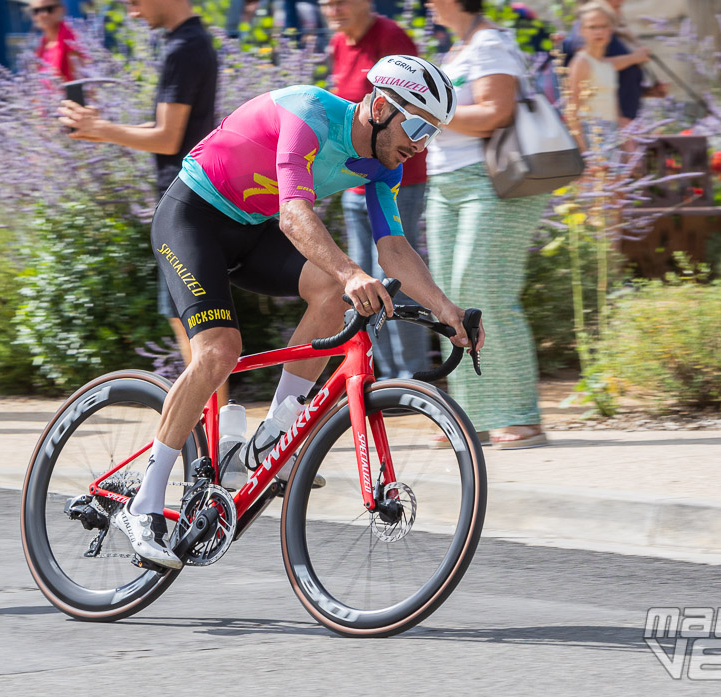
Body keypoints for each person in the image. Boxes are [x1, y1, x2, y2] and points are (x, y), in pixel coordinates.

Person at [63, 55, 484, 569]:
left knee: (331, 292)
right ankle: (145, 505)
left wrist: (448, 311)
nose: (419, 144)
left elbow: (394, 246)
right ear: (379, 106)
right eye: (417, 125)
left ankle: (273, 435)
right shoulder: (309, 112)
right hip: (193, 217)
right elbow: (293, 214)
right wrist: (353, 271)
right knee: (220, 351)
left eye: (431, 134)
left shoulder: (381, 162)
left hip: (251, 231)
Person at [59, 0, 223, 406]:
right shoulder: (193, 42)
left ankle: (211, 445)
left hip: (184, 205)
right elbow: (168, 131)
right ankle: (215, 443)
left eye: (132, 2)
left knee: (200, 340)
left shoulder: (183, 48)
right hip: (196, 199)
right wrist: (101, 131)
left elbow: (167, 138)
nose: (132, 13)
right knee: (203, 337)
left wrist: (102, 128)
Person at [424, 0, 549, 450]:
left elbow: (497, 112)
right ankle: (469, 417)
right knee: (449, 300)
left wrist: (429, 111)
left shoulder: (490, 44)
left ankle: (520, 416)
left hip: (491, 181)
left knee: (485, 291)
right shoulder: (457, 49)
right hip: (446, 185)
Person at [323, 0, 430, 379]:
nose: (334, 10)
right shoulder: (339, 43)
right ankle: (379, 378)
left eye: (342, 2)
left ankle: (412, 377)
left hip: (397, 180)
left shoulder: (391, 38)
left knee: (395, 280)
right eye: (327, 3)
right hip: (356, 186)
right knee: (363, 287)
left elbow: (417, 113)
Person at [562, 0, 651, 128]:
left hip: (619, 123)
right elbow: (591, 66)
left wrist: (648, 91)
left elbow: (608, 82)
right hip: (596, 127)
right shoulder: (586, 29)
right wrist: (633, 58)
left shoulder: (614, 33)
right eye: (616, 7)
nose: (619, 12)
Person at [569, 2, 620, 151]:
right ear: (581, 30)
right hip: (590, 134)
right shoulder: (581, 62)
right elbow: (572, 108)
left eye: (603, 26)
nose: (599, 32)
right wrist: (583, 150)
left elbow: (614, 107)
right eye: (592, 27)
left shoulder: (607, 65)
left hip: (611, 134)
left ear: (610, 30)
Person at [31, 0, 83, 82]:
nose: (43, 15)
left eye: (49, 9)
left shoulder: (71, 41)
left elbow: (81, 84)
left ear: (62, 9)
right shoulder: (41, 45)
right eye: (36, 11)